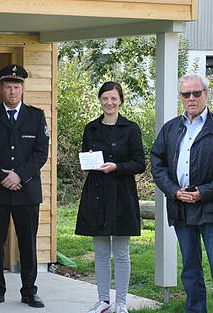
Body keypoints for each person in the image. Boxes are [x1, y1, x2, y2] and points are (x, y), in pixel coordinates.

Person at [151, 74, 213, 313]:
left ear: (206, 94)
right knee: (190, 268)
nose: (191, 98)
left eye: (196, 93)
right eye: (186, 94)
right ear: (181, 97)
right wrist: (173, 191)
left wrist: (204, 192)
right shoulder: (171, 128)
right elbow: (156, 162)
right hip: (181, 207)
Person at [0, 64, 49, 309]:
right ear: (1, 89)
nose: (12, 91)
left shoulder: (36, 116)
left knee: (28, 244)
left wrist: (19, 175)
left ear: (23, 88)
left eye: (17, 87)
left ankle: (29, 291)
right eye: (8, 87)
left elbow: (41, 153)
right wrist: (3, 177)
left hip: (27, 190)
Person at [76, 82, 145, 313]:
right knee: (101, 252)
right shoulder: (91, 128)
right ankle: (103, 301)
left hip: (122, 194)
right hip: (96, 194)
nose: (109, 103)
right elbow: (86, 157)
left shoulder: (131, 128)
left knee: (122, 253)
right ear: (100, 100)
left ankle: (122, 302)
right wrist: (90, 161)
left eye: (114, 98)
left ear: (120, 101)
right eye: (105, 98)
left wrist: (116, 166)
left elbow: (139, 163)